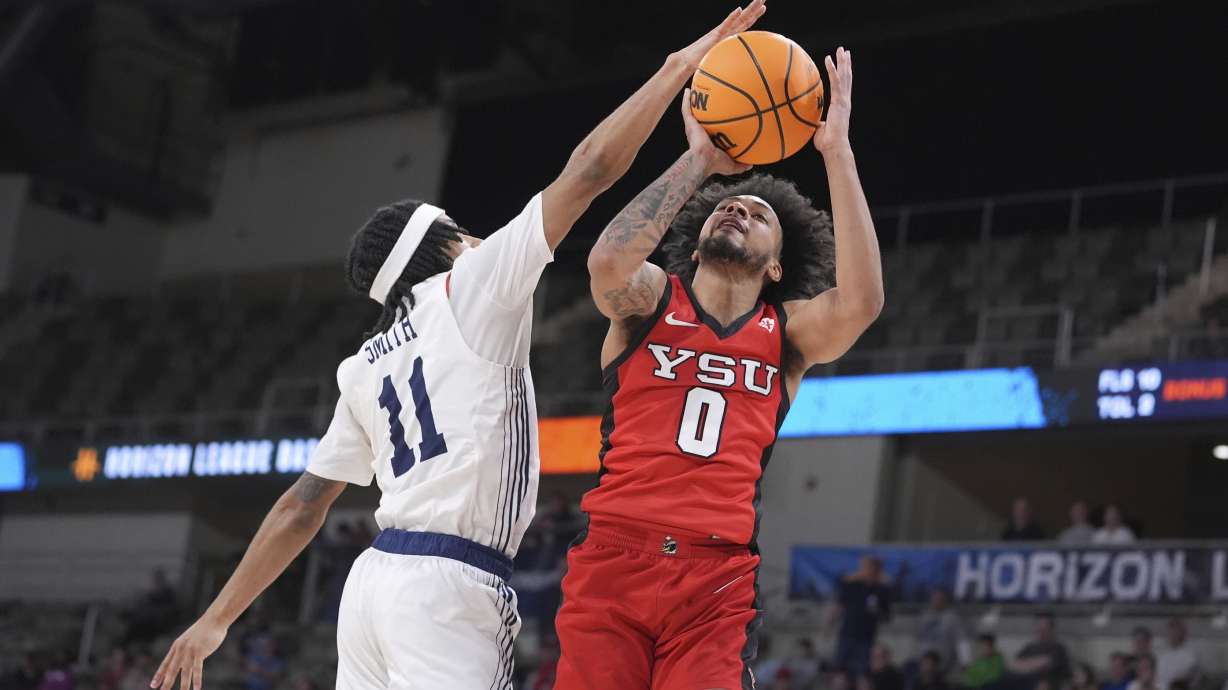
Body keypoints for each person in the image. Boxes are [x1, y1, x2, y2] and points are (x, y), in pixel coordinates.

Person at [148, 5, 771, 688]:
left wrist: (217, 618)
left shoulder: (364, 365)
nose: (476, 235)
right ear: (443, 246)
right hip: (449, 589)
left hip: (370, 591)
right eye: (460, 228)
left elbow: (302, 505)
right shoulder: (473, 284)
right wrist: (676, 70)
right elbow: (590, 170)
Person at [555, 36, 883, 689]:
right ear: (697, 238)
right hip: (614, 557)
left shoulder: (784, 334)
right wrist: (700, 160)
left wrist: (838, 154)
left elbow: (862, 303)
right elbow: (606, 262)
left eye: (760, 215)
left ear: (778, 264)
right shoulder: (648, 303)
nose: (739, 209)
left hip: (716, 578)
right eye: (730, 206)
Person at [833, 556, 893, 677]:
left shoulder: (882, 590)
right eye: (866, 567)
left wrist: (877, 611)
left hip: (866, 638)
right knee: (839, 671)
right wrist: (830, 624)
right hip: (847, 635)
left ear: (878, 570)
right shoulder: (852, 585)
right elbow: (840, 605)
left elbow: (887, 617)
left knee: (862, 673)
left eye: (873, 568)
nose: (869, 571)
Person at [1007, 613, 1071, 689]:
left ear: (1051, 628)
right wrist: (1035, 664)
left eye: (1044, 626)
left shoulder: (1058, 648)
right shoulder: (1029, 647)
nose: (1040, 629)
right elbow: (1012, 664)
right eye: (1038, 625)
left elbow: (1046, 663)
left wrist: (1024, 665)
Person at [913, 588, 963, 674]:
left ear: (945, 601)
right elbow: (917, 640)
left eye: (940, 599)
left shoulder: (952, 618)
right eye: (935, 599)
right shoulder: (924, 617)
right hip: (923, 662)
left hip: (945, 662)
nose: (937, 602)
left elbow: (961, 641)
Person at [1154, 618, 1200, 690]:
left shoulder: (1191, 655)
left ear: (1184, 634)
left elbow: (1183, 678)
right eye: (1170, 631)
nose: (1173, 634)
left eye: (1176, 631)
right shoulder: (1159, 653)